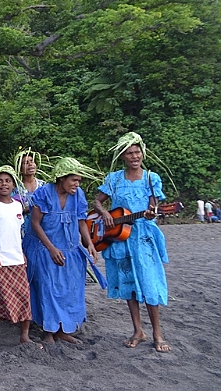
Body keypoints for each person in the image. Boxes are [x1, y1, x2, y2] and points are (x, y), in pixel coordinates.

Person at [93, 132, 171, 353]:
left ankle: (157, 333)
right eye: (130, 153)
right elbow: (97, 202)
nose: (134, 156)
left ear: (142, 153)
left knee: (149, 282)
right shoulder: (114, 178)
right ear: (123, 157)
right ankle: (138, 330)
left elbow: (153, 209)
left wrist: (151, 214)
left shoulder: (150, 178)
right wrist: (106, 213)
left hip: (143, 237)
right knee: (129, 285)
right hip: (120, 237)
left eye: (137, 152)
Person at [23, 157, 100, 345]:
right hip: (44, 248)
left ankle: (63, 329)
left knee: (68, 290)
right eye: (73, 180)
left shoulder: (78, 195)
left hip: (69, 249)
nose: (77, 184)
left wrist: (89, 243)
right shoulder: (44, 194)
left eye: (79, 181)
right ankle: (48, 330)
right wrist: (51, 249)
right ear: (61, 178)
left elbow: (81, 221)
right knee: (47, 288)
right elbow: (35, 223)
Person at [0, 166, 38, 354]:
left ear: (13, 185)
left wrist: (22, 253)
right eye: (0, 180)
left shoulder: (18, 205)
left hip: (17, 260)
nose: (4, 183)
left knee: (24, 297)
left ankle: (24, 336)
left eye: (8, 180)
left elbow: (18, 232)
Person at [13, 149, 47, 236]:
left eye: (32, 161)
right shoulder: (16, 188)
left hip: (43, 229)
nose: (30, 164)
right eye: (26, 163)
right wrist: (31, 208)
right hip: (23, 230)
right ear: (20, 169)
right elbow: (11, 210)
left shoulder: (43, 186)